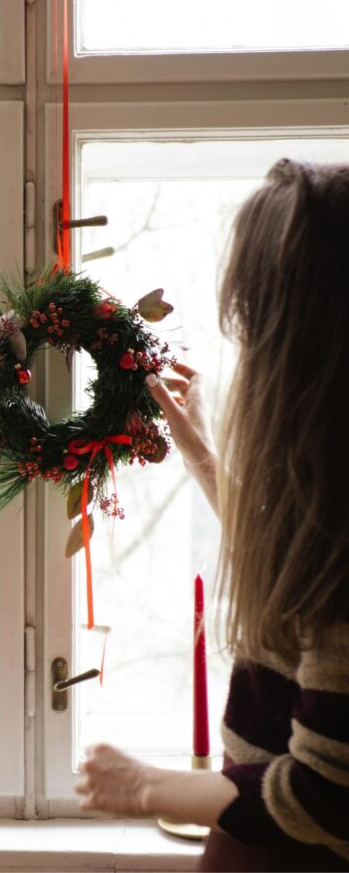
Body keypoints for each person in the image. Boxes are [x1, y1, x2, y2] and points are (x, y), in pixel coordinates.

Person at [73, 158, 349, 871]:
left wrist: (147, 787)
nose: (248, 349)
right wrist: (202, 457)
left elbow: (327, 795)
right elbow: (305, 572)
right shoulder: (330, 496)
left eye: (255, 324)